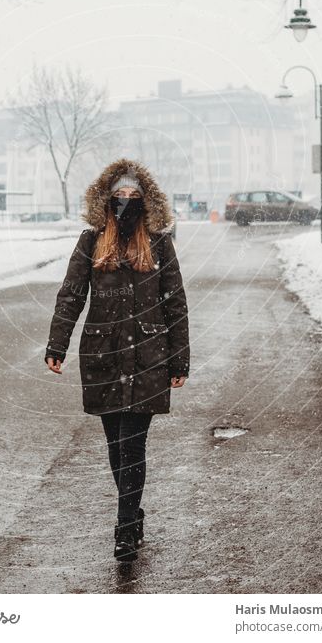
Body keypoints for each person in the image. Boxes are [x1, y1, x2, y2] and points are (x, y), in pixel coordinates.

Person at [44, 158, 190, 561]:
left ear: (146, 201)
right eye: (119, 196)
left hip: (148, 356)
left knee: (132, 444)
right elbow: (71, 294)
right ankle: (133, 512)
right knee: (115, 445)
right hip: (103, 355)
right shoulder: (91, 241)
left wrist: (179, 361)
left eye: (134, 196)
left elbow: (175, 303)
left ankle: (125, 526)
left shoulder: (159, 242)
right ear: (106, 201)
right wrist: (57, 345)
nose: (126, 202)